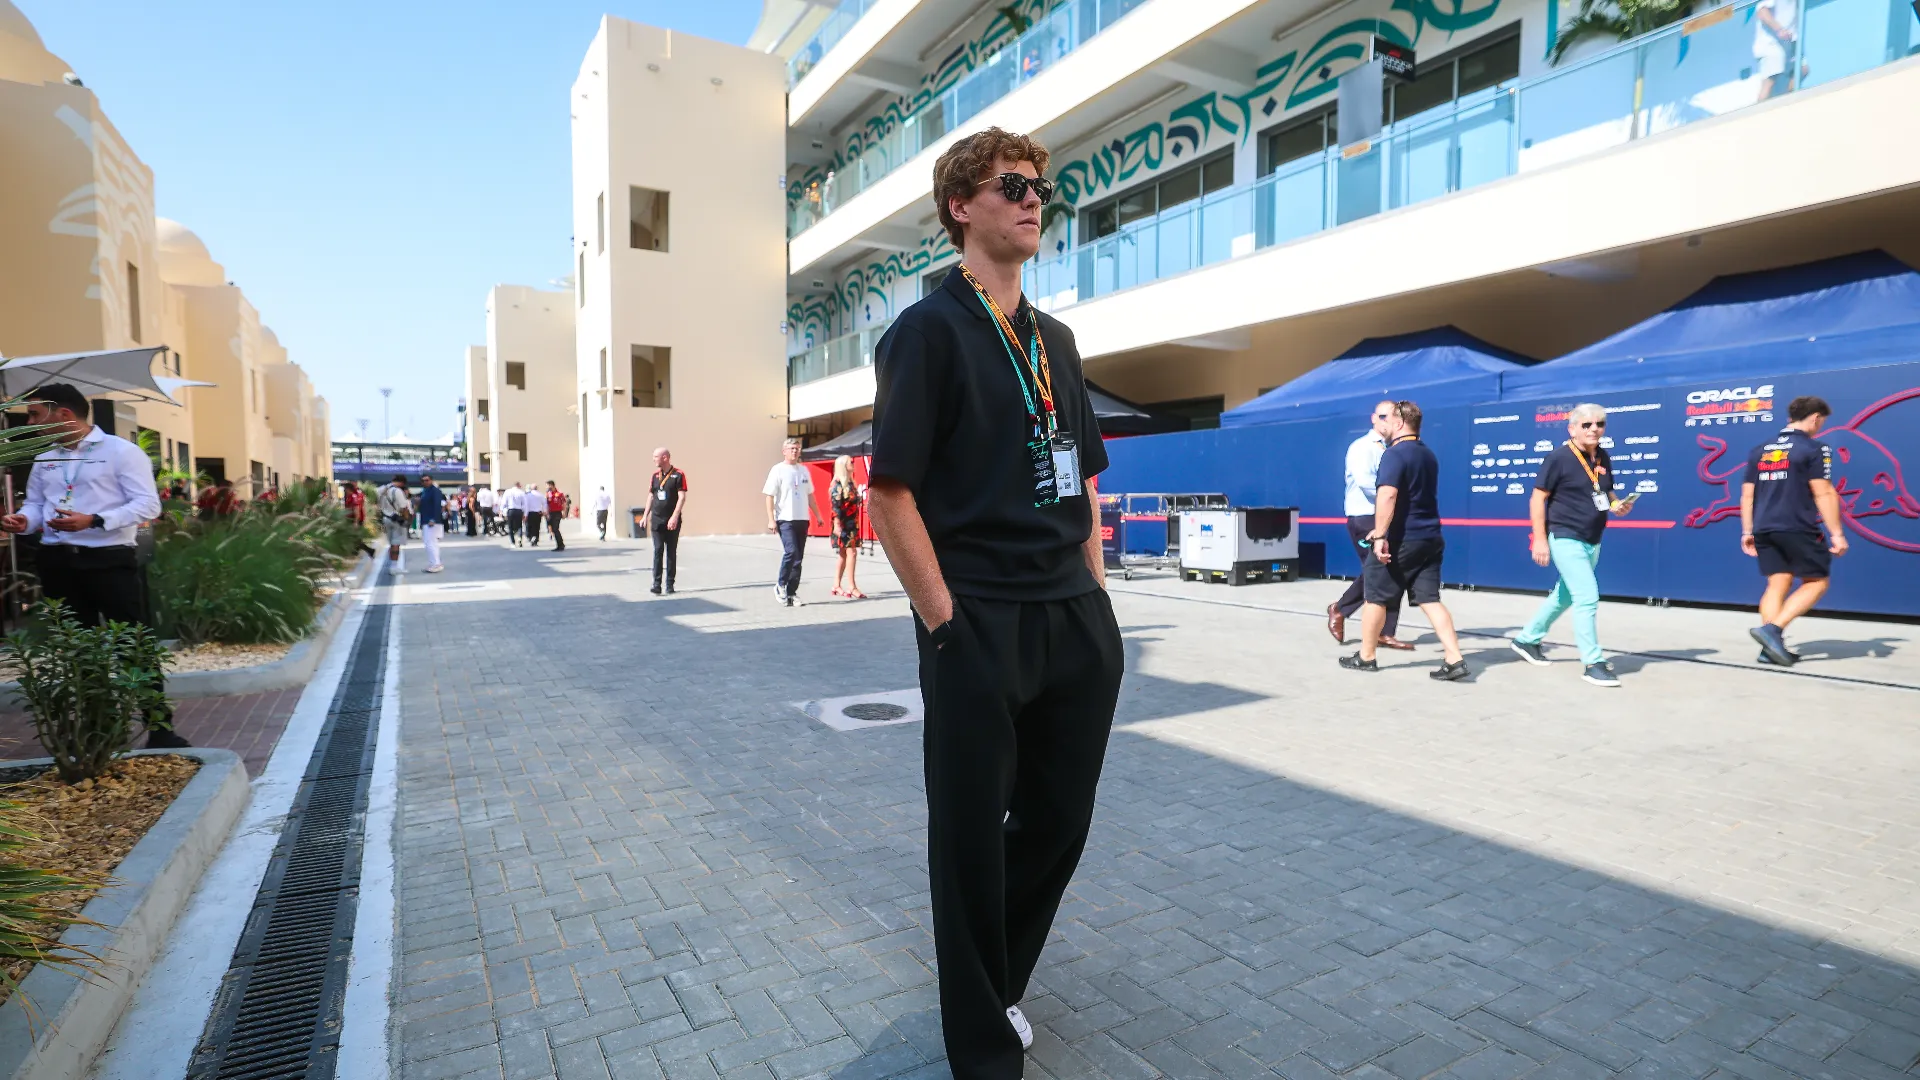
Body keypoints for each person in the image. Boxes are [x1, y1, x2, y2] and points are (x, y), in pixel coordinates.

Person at [868, 127, 1123, 1077]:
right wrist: (946, 626)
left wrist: (1097, 604)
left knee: (1060, 819)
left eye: (1039, 187)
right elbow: (888, 491)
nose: (1032, 199)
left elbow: (1084, 484)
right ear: (960, 207)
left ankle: (996, 978)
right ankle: (980, 1042)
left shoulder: (1055, 340)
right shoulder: (925, 334)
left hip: (1071, 620)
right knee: (971, 836)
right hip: (975, 617)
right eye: (1011, 185)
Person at [0, 384, 185, 748]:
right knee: (76, 648)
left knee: (132, 645)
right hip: (57, 562)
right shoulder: (45, 460)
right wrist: (24, 520)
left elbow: (148, 506)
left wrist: (95, 520)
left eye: (35, 414)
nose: (32, 424)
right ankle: (99, 729)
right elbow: (37, 505)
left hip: (108, 561)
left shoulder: (121, 452)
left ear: (64, 414)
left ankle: (160, 730)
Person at [1340, 400, 1470, 680]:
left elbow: (1387, 495)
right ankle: (1454, 658)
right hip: (1431, 537)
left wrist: (1381, 535)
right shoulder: (1428, 455)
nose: (1384, 424)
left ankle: (1366, 656)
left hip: (1403, 538)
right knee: (1430, 599)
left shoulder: (1395, 454)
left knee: (1374, 596)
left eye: (1388, 419)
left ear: (1399, 423)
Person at [1510, 404, 1635, 687]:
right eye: (1586, 425)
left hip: (1593, 538)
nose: (1594, 429)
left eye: (1599, 424)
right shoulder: (1558, 458)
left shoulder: (1602, 455)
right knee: (1587, 597)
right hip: (1566, 536)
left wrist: (1617, 505)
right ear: (1572, 428)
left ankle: (1526, 639)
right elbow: (1537, 499)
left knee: (1564, 596)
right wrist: (1540, 539)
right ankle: (1593, 662)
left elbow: (1606, 491)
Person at [1742, 395, 1846, 665]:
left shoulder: (1759, 450)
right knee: (1817, 581)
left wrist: (1747, 531)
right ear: (1815, 418)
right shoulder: (1815, 449)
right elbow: (1823, 492)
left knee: (1777, 582)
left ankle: (1770, 649)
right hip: (1796, 525)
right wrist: (1836, 533)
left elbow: (1747, 496)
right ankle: (1772, 631)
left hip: (1764, 526)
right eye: (1821, 422)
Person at [1327, 401, 1410, 650]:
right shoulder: (1362, 447)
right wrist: (1391, 499)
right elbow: (1365, 482)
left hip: (1385, 517)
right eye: (1383, 416)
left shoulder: (1392, 449)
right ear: (1374, 418)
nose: (1388, 421)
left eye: (1394, 416)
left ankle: (1385, 632)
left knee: (1394, 571)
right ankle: (1340, 609)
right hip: (1365, 517)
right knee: (1378, 570)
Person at [763, 437, 822, 605]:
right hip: (785, 519)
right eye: (791, 448)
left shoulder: (803, 471)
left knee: (798, 558)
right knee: (791, 552)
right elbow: (769, 495)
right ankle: (780, 584)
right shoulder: (778, 470)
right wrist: (771, 519)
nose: (794, 451)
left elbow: (810, 494)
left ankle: (791, 593)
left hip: (802, 518)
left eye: (797, 448)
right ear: (784, 451)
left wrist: (818, 515)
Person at [648, 448, 689, 594]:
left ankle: (670, 584)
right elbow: (651, 496)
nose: (653, 459)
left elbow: (682, 497)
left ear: (665, 458)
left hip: (672, 521)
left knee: (671, 552)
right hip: (657, 520)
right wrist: (646, 515)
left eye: (656, 456)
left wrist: (675, 516)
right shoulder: (654, 476)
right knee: (658, 550)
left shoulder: (679, 475)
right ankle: (656, 584)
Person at [828, 454, 865, 599]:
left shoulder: (850, 483)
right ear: (844, 465)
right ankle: (852, 586)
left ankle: (836, 585)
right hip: (843, 525)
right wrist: (837, 524)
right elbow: (835, 506)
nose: (853, 463)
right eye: (851, 462)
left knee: (844, 555)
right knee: (852, 553)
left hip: (851, 523)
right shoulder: (838, 484)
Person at [1754, 0, 1799, 101]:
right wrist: (1780, 30)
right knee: (1770, 81)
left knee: (1802, 70)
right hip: (1771, 45)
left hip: (1788, 45)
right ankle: (1758, 113)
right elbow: (1762, 11)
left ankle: (1788, 104)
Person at [378, 474, 412, 569]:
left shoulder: (381, 489)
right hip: (397, 520)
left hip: (385, 518)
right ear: (402, 482)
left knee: (391, 543)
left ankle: (391, 564)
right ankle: (394, 566)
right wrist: (406, 519)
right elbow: (403, 507)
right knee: (396, 543)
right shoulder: (397, 491)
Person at [417, 475, 447, 574]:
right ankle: (435, 563)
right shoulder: (425, 491)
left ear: (431, 480)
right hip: (427, 520)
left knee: (430, 543)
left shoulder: (434, 491)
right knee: (431, 543)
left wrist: (433, 519)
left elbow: (437, 505)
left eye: (427, 480)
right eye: (423, 480)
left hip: (431, 521)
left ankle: (435, 564)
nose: (425, 482)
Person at [544, 480, 567, 552]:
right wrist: (546, 513)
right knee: (552, 529)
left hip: (557, 513)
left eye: (548, 485)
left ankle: (560, 545)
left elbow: (564, 504)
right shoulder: (548, 494)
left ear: (552, 485)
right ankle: (560, 543)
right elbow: (546, 504)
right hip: (550, 513)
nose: (547, 487)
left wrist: (564, 513)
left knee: (555, 528)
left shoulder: (559, 494)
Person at [503, 482, 526, 547]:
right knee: (519, 526)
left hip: (510, 510)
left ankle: (513, 542)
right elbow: (524, 504)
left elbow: (504, 502)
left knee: (510, 527)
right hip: (519, 510)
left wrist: (503, 511)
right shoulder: (521, 492)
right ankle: (519, 538)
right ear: (519, 486)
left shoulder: (508, 492)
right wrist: (525, 513)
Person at [523, 482, 545, 549]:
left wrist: (525, 514)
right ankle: (535, 539)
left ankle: (530, 537)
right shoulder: (541, 495)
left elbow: (526, 505)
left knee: (529, 526)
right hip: (538, 513)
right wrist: (543, 511)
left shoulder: (527, 495)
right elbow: (544, 504)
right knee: (537, 527)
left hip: (530, 513)